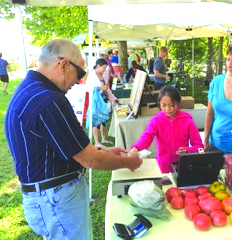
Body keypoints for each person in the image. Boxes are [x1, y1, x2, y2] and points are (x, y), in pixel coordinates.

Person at [4, 39, 142, 240]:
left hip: (47, 197)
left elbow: (66, 147)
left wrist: (100, 151)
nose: (78, 81)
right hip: (56, 199)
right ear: (63, 65)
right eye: (80, 74)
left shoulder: (31, 88)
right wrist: (127, 162)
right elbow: (89, 160)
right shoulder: (49, 99)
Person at [129, 85, 204, 173]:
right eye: (163, 105)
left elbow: (199, 146)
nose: (168, 109)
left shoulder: (188, 121)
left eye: (171, 105)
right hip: (163, 166)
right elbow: (146, 137)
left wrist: (188, 150)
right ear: (159, 104)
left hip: (183, 165)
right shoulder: (156, 121)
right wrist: (136, 148)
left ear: (179, 103)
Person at [86, 58, 119, 149]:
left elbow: (107, 88)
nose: (104, 70)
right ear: (97, 66)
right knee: (96, 121)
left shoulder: (103, 74)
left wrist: (113, 98)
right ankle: (97, 142)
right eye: (103, 68)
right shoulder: (91, 76)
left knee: (104, 121)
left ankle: (103, 139)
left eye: (105, 68)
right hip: (96, 101)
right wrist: (100, 88)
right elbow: (89, 89)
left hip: (104, 100)